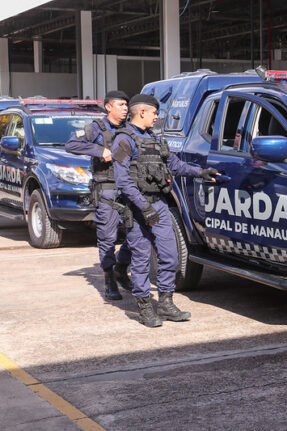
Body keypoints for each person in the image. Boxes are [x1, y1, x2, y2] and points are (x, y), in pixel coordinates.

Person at [111, 94, 220, 327]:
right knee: (141, 258)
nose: (156, 116)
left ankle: (166, 304)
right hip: (136, 207)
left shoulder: (154, 139)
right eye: (154, 112)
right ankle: (144, 308)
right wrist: (144, 207)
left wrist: (201, 172)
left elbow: (175, 165)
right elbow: (123, 181)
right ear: (142, 112)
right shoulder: (124, 140)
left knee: (170, 255)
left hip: (158, 204)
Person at [66, 90, 133, 300]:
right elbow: (71, 144)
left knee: (137, 233)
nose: (125, 108)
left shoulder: (130, 128)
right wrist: (99, 150)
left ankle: (121, 268)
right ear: (108, 107)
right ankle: (109, 279)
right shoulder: (96, 127)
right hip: (107, 188)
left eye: (126, 105)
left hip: (130, 187)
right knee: (108, 236)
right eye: (121, 105)